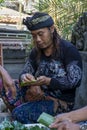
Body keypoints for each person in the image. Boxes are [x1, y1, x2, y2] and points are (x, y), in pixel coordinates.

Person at [0, 12, 82, 124]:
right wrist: (26, 78)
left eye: (40, 34)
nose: (37, 39)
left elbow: (74, 81)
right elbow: (24, 72)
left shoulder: (68, 50)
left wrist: (49, 81)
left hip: (60, 103)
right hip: (36, 95)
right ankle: (24, 113)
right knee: (4, 86)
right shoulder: (36, 51)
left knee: (20, 114)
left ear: (51, 29)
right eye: (34, 36)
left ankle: (47, 120)